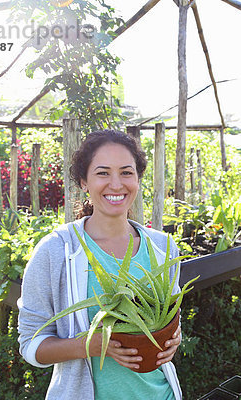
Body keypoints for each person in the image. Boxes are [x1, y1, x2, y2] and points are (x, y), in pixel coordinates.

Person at [17, 130, 183, 400]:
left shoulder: (163, 246)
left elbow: (170, 315)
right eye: (103, 173)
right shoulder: (56, 250)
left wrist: (172, 338)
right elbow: (31, 345)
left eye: (127, 172)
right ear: (83, 181)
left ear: (139, 178)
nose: (116, 184)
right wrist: (91, 345)